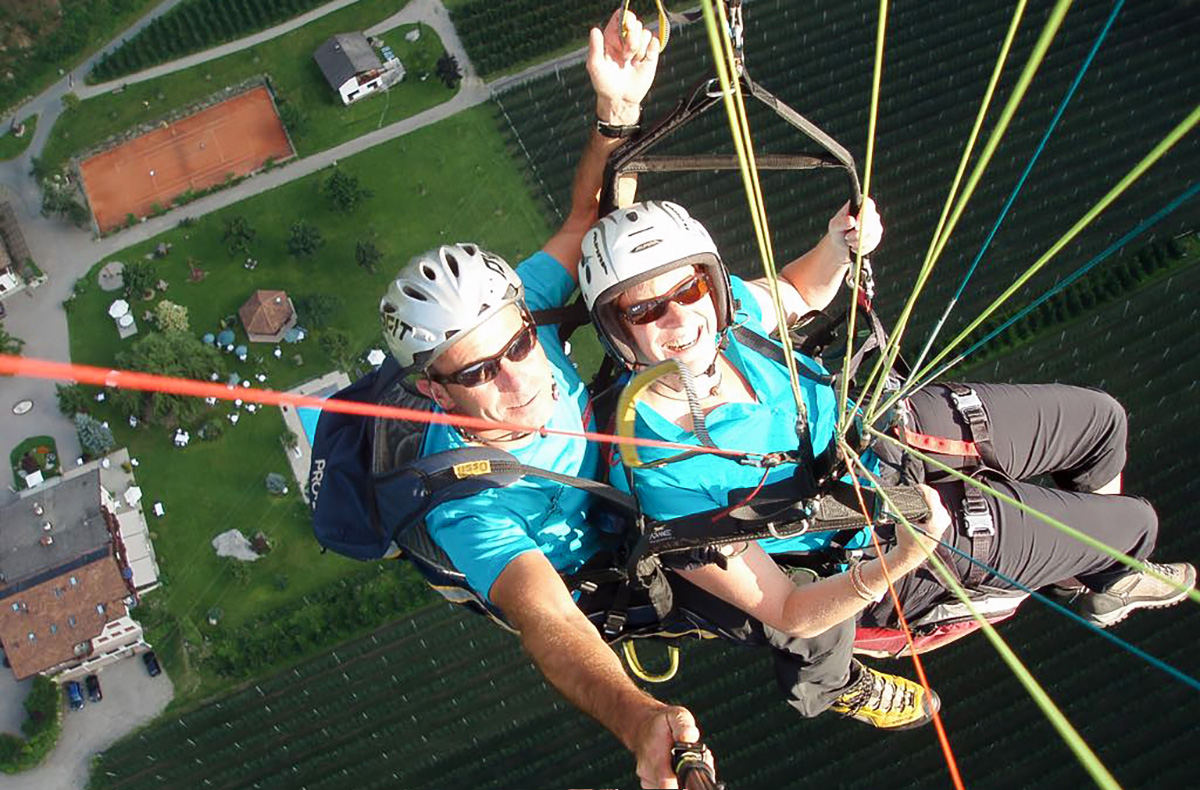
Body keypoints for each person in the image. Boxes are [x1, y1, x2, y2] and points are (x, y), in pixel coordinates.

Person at [577, 198, 1197, 727]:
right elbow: (788, 612)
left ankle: (1088, 572)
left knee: (1101, 424)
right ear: (619, 331)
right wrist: (898, 561)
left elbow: (795, 291)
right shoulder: (663, 473)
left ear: (709, 282)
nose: (681, 317)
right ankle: (1099, 561)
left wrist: (838, 244)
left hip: (886, 429)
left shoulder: (729, 315)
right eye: (645, 310)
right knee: (1132, 526)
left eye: (689, 289)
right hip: (873, 538)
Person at [380, 12, 700, 788]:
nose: (520, 376)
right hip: (601, 561)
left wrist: (615, 113)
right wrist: (640, 720)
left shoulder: (513, 310)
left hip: (621, 466)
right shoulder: (461, 500)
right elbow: (547, 620)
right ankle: (828, 671)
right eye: (481, 372)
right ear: (434, 388)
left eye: (522, 345)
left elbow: (590, 220)